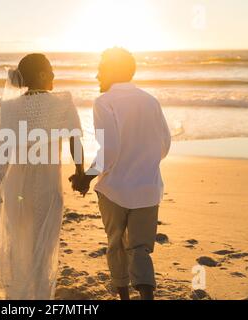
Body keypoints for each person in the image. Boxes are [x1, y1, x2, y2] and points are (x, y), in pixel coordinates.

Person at [0, 53, 85, 300]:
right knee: (43, 246)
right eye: (51, 70)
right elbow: (75, 140)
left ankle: (20, 296)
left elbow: (3, 154)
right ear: (43, 74)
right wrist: (79, 172)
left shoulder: (11, 107)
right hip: (47, 185)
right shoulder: (63, 102)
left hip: (16, 187)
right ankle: (40, 294)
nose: (54, 75)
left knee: (18, 243)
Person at [71, 48, 171, 300]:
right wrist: (143, 165)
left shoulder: (104, 102)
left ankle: (124, 297)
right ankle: (147, 297)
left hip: (115, 189)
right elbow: (165, 144)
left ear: (112, 72)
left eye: (101, 69)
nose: (96, 76)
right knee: (140, 248)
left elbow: (110, 150)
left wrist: (87, 176)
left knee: (116, 244)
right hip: (148, 189)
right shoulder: (150, 100)